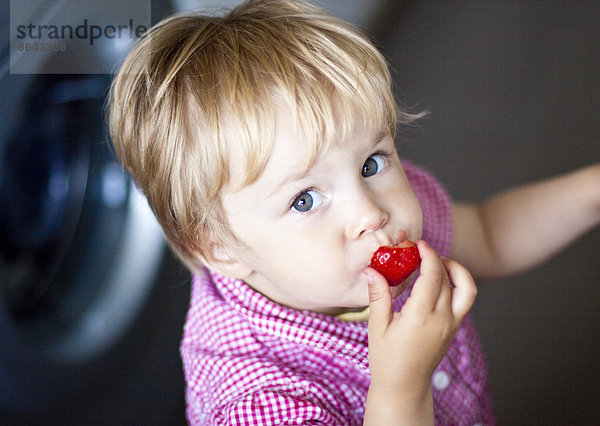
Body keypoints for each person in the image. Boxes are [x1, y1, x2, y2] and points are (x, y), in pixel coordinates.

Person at [107, 0, 600, 424]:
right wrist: (401, 390)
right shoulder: (259, 399)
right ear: (218, 247)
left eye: (371, 162)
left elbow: (490, 235)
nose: (370, 212)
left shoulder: (376, 223)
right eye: (304, 200)